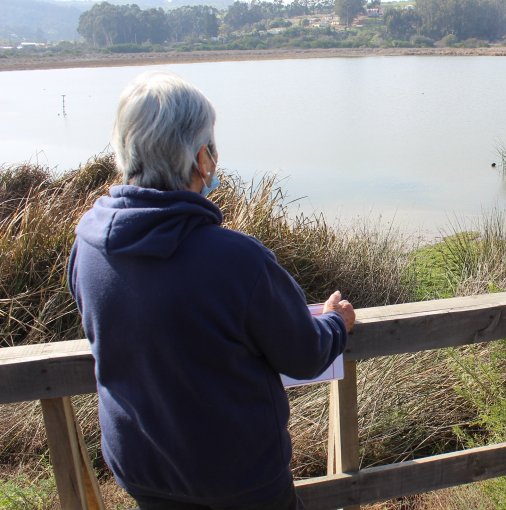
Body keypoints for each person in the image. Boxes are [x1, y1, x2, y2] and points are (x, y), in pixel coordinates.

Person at [67, 71, 355, 510]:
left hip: (144, 473)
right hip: (241, 482)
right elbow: (305, 354)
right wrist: (337, 322)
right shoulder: (236, 260)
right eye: (212, 146)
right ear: (203, 157)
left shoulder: (88, 247)